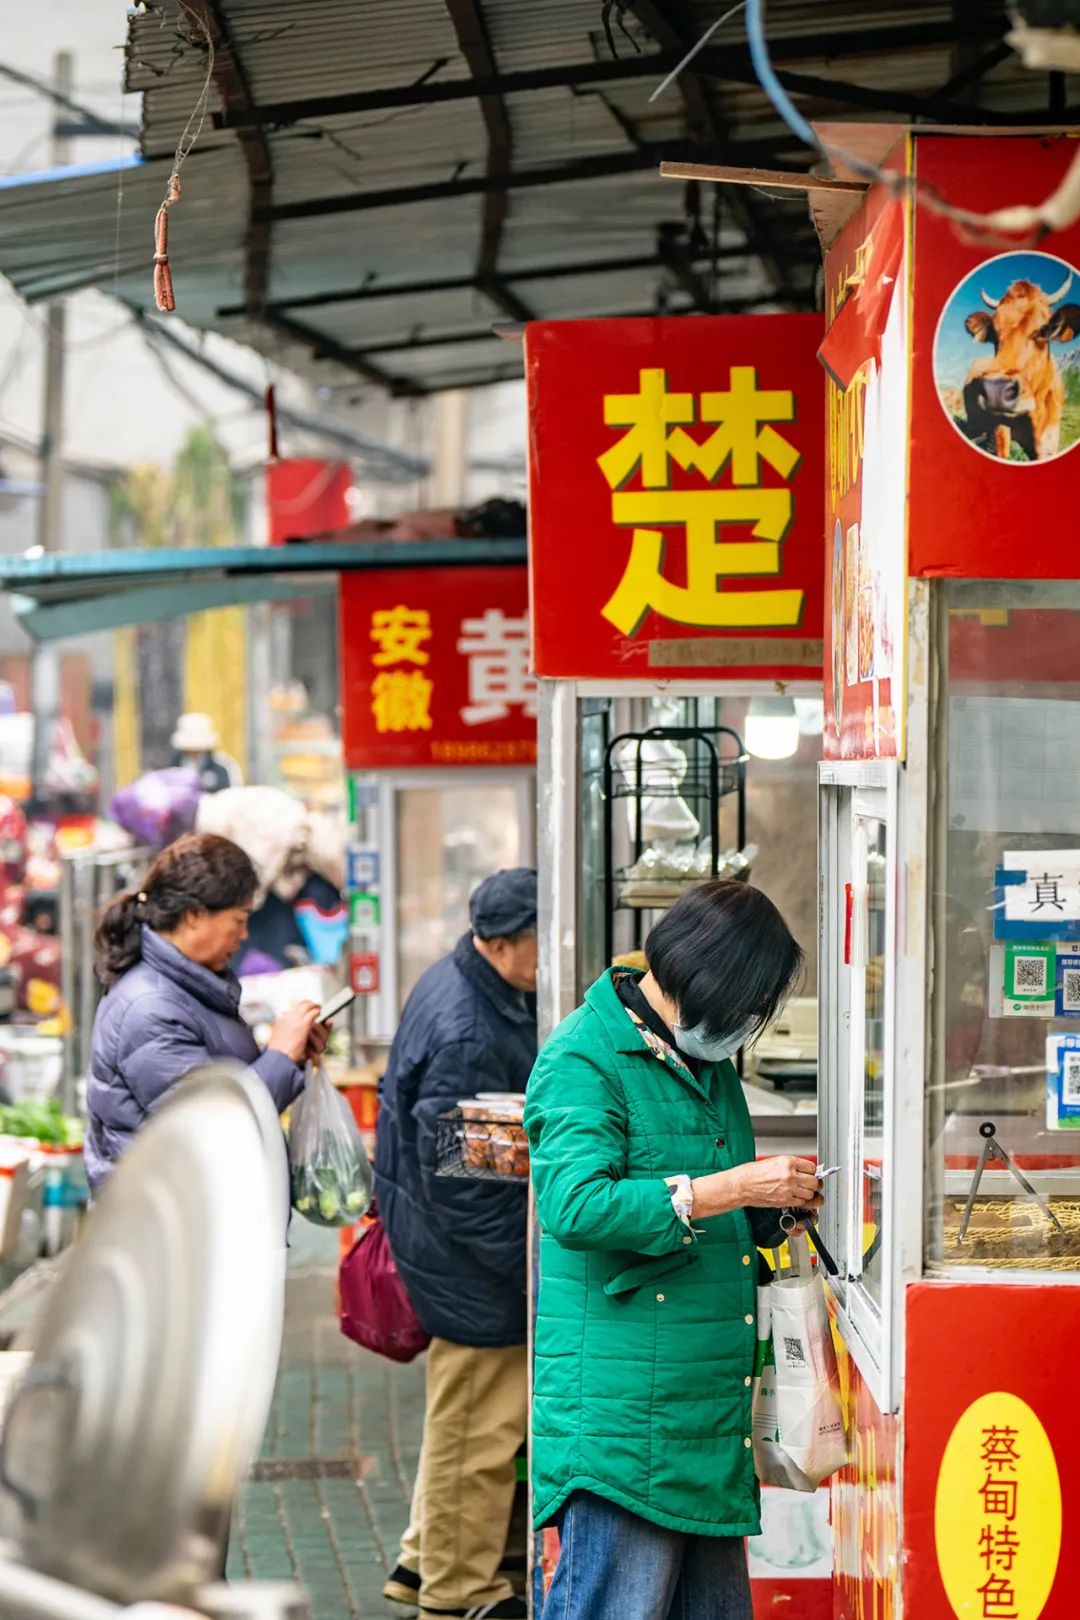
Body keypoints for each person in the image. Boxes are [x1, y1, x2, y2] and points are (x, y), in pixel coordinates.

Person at [524, 880, 822, 1620]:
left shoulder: (707, 1063)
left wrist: (777, 1210)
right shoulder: (582, 1059)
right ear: (701, 979)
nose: (750, 1026)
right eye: (748, 1005)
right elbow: (574, 1206)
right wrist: (727, 1188)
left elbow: (725, 1207)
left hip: (704, 1418)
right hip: (625, 1422)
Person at [376, 868, 539, 1620]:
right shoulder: (469, 1031)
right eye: (543, 939)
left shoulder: (467, 983)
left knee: (465, 1424)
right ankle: (454, 1596)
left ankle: (424, 1565)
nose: (552, 952)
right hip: (469, 1268)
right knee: (477, 1433)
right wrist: (530, 1267)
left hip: (453, 1251)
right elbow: (467, 1185)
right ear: (504, 944)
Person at [86, 832, 328, 1196]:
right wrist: (278, 1057)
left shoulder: (190, 988)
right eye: (240, 918)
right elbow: (213, 1125)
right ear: (195, 915)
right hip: (170, 1235)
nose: (245, 934)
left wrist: (293, 1055)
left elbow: (224, 1086)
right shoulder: (150, 1009)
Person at [170, 712, 242, 795]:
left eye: (197, 749)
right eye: (189, 749)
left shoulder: (223, 766)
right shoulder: (173, 768)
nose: (193, 753)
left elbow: (233, 794)